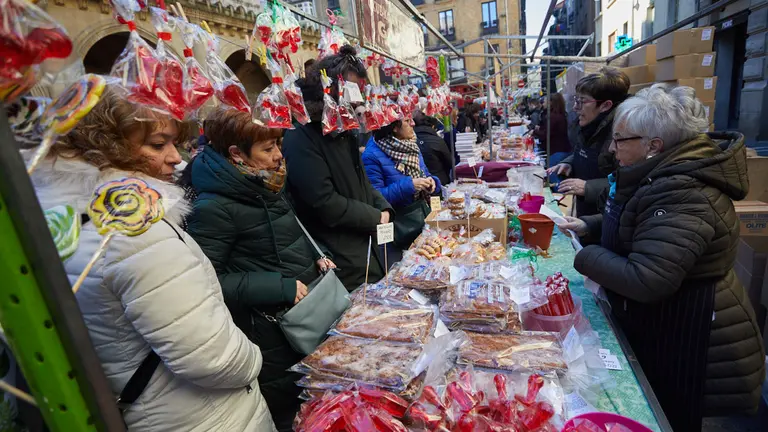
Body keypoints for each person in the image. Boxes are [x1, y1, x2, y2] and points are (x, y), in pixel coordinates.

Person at [29, 86, 275, 431]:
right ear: (106, 147)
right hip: (206, 416)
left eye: (175, 143)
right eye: (158, 145)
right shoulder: (135, 232)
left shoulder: (75, 219)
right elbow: (210, 356)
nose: (176, 158)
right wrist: (252, 359)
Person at [558, 85, 765, 431]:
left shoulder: (684, 191)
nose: (612, 148)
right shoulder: (658, 173)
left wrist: (583, 256)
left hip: (697, 347)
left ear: (653, 145)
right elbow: (640, 224)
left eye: (620, 139)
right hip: (671, 329)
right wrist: (588, 225)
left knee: (672, 419)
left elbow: (648, 278)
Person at [184, 108, 336, 431]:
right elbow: (206, 282)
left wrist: (317, 255)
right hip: (272, 338)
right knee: (293, 416)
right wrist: (279, 287)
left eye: (277, 145)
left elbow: (288, 233)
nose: (279, 155)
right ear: (236, 153)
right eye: (268, 149)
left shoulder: (266, 181)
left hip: (307, 319)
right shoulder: (213, 207)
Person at [282, 45, 393, 289]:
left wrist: (383, 207)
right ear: (328, 89)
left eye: (358, 91)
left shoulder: (345, 132)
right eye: (349, 90)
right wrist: (374, 217)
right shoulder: (301, 137)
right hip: (342, 260)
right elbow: (323, 202)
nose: (356, 101)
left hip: (368, 250)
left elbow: (363, 183)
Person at [548, 67, 629, 217]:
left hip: (606, 216)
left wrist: (588, 187)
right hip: (585, 211)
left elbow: (629, 182)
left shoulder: (622, 134)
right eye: (576, 100)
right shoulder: (588, 126)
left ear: (605, 105)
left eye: (582, 101)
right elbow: (581, 152)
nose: (575, 107)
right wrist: (569, 163)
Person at [363, 118, 442, 253]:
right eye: (407, 120)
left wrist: (432, 182)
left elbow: (425, 173)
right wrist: (409, 186)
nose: (413, 123)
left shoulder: (411, 145)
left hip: (422, 222)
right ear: (394, 127)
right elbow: (375, 198)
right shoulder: (371, 156)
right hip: (399, 230)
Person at [534, 93, 572, 183]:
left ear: (551, 102)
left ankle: (560, 192)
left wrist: (535, 131)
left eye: (545, 101)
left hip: (556, 150)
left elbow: (546, 134)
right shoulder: (561, 115)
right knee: (558, 176)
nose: (543, 104)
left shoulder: (552, 116)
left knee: (553, 177)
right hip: (563, 149)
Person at [414, 113, 454, 186]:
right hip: (439, 181)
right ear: (432, 127)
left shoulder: (410, 141)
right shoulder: (437, 141)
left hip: (418, 182)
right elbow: (450, 162)